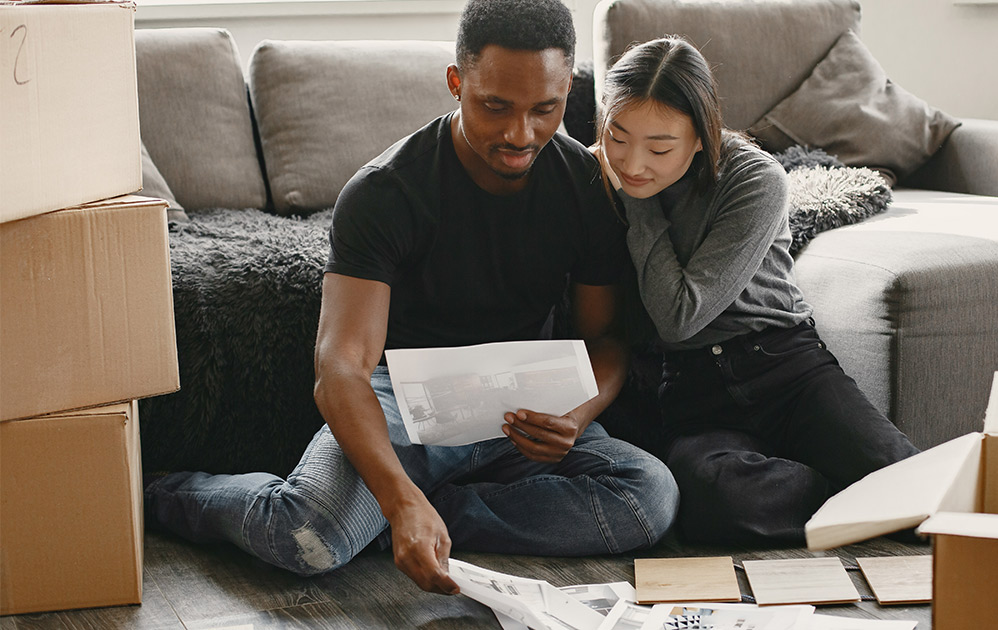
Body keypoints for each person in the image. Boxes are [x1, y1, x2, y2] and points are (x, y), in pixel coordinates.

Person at [144, 0, 679, 594]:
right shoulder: (386, 193)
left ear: (567, 93)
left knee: (648, 498)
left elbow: (604, 339)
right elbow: (340, 366)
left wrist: (578, 415)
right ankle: (165, 491)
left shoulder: (584, 185)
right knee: (308, 535)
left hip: (524, 401)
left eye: (544, 110)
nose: (519, 134)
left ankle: (404, 519)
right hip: (405, 402)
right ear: (456, 82)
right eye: (494, 106)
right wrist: (399, 498)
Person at [592, 37, 920, 545]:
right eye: (617, 136)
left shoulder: (755, 179)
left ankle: (871, 489)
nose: (633, 164)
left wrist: (637, 205)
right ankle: (852, 498)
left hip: (783, 367)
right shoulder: (594, 175)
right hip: (687, 391)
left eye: (659, 148)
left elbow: (681, 312)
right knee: (712, 498)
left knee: (907, 479)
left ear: (702, 136)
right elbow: (669, 332)